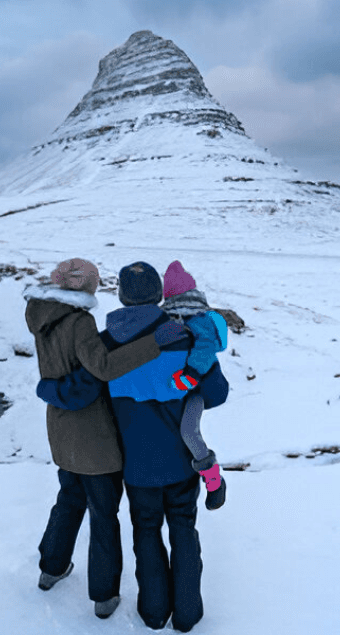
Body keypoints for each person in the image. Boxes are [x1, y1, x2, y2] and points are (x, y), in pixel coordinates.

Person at [44, 261, 229, 632]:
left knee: (146, 532)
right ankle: (188, 615)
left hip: (135, 465)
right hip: (180, 459)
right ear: (159, 294)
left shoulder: (105, 344)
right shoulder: (182, 336)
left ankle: (153, 612)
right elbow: (217, 393)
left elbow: (83, 393)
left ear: (122, 296)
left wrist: (47, 389)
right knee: (183, 530)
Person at [25, 258, 187, 620]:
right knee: (103, 512)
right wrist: (153, 344)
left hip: (62, 428)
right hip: (94, 435)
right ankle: (104, 594)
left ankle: (51, 568)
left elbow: (68, 370)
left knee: (68, 499)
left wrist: (49, 388)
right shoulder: (80, 321)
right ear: (86, 286)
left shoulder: (43, 316)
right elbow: (104, 367)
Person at [160, 260, 230, 510]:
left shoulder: (198, 319)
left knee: (189, 431)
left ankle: (214, 481)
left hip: (198, 389)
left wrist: (190, 374)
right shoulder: (172, 318)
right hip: (182, 386)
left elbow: (205, 348)